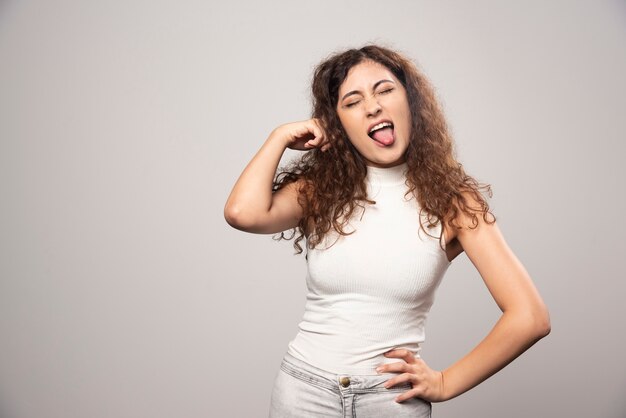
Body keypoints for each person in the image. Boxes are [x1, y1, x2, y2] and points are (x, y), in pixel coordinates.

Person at [224, 44, 551, 417]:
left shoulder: (453, 203)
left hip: (391, 401)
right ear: (338, 124)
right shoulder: (320, 191)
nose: (373, 106)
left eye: (384, 90)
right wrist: (279, 137)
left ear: (411, 101)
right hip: (304, 393)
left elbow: (530, 317)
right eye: (352, 101)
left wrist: (445, 383)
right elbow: (242, 213)